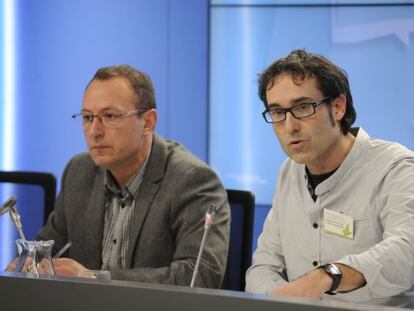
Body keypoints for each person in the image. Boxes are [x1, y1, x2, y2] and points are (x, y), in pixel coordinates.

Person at [15, 65, 230, 287]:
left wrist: (95, 278)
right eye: (88, 117)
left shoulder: (192, 179)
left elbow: (200, 275)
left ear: (148, 122)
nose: (95, 131)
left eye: (109, 116)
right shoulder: (78, 172)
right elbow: (48, 249)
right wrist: (30, 264)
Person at [245, 49, 414, 306]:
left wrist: (328, 276)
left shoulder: (395, 167)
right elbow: (264, 266)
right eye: (278, 112)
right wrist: (278, 298)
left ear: (338, 107)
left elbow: (406, 252)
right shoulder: (288, 172)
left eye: (302, 107)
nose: (290, 126)